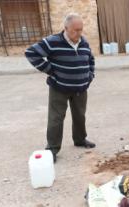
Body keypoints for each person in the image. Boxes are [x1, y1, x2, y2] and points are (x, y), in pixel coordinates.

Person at [25, 13, 96, 162]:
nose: (79, 33)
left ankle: (80, 139)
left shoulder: (84, 42)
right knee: (56, 118)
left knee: (80, 116)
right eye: (75, 30)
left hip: (80, 88)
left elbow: (90, 59)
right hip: (59, 88)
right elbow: (31, 53)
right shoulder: (53, 41)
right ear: (66, 28)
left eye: (81, 30)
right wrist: (50, 70)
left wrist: (90, 75)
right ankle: (52, 148)